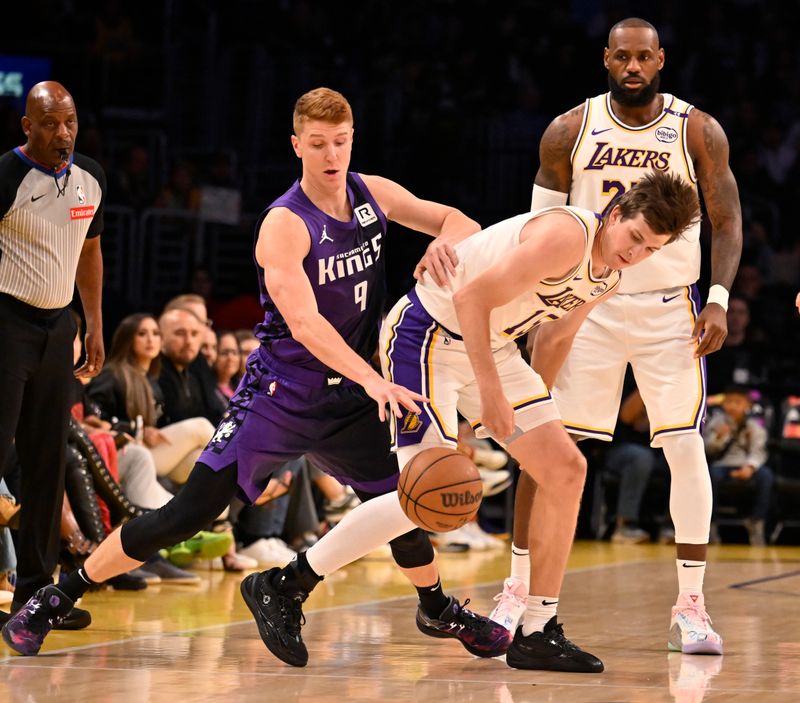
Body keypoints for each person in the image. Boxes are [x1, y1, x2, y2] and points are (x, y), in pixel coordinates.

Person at [3, 87, 509, 663]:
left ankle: (436, 608)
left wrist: (442, 244)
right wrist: (375, 381)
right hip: (279, 396)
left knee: (404, 501)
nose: (330, 154)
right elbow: (305, 323)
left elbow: (461, 221)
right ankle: (55, 596)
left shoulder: (375, 193)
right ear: (297, 145)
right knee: (187, 515)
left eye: (340, 142)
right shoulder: (285, 224)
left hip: (347, 398)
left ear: (352, 140)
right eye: (317, 144)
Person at [490, 17, 742, 657]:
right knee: (545, 447)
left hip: (667, 310)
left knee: (685, 447)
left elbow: (727, 218)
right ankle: (518, 591)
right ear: (607, 59)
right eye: (622, 56)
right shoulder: (569, 130)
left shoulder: (696, 130)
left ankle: (691, 607)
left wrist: (717, 298)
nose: (633, 66)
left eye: (644, 57)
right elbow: (536, 230)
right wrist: (534, 311)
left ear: (661, 60)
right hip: (585, 306)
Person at [381, 169, 699, 672]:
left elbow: (554, 338)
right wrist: (490, 396)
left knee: (566, 469)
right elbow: (471, 298)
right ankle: (292, 580)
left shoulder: (612, 274)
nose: (637, 255)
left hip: (495, 348)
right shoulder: (566, 236)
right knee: (424, 492)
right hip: (428, 335)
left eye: (651, 250)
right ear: (615, 215)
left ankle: (537, 630)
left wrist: (539, 413)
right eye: (635, 237)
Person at [0, 82, 105, 630]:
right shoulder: (6, 176)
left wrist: (94, 324)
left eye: (69, 122)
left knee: (48, 463)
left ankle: (34, 596)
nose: (61, 133)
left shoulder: (91, 177)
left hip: (58, 325)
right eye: (48, 123)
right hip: (7, 324)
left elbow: (90, 251)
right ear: (26, 127)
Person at [703, 385, 774, 546]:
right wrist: (719, 438)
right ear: (723, 404)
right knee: (710, 475)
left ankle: (756, 522)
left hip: (746, 466)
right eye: (729, 402)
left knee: (767, 476)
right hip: (723, 465)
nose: (732, 406)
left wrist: (749, 467)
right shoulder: (716, 422)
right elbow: (707, 449)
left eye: (738, 402)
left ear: (748, 405)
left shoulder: (754, 426)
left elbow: (759, 451)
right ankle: (710, 524)